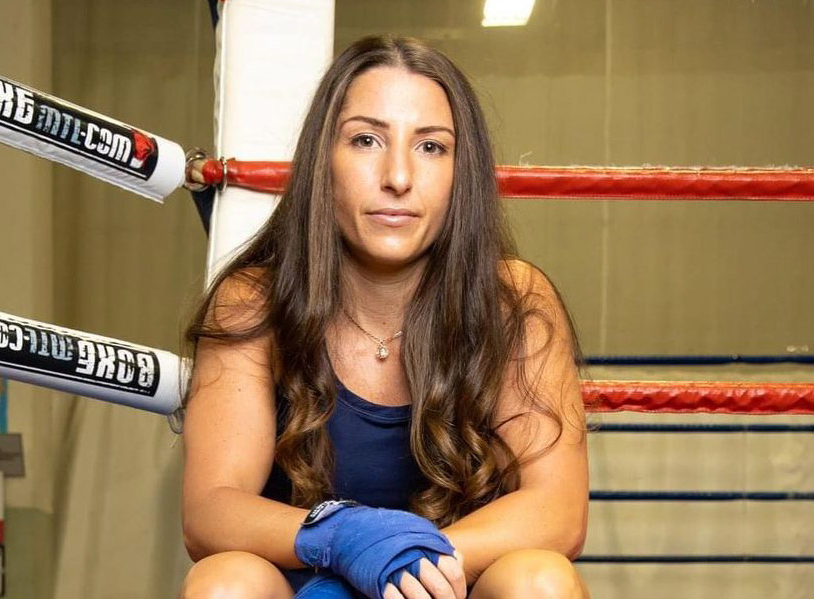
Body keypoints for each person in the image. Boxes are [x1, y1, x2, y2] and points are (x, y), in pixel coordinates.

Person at [179, 35, 589, 599]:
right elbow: (211, 509)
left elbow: (558, 509)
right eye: (366, 139)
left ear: (460, 171)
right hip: (309, 585)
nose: (398, 176)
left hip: (452, 581)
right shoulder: (255, 300)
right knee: (223, 584)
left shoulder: (511, 300)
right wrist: (340, 539)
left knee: (540, 581)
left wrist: (402, 560)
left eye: (431, 146)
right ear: (324, 159)